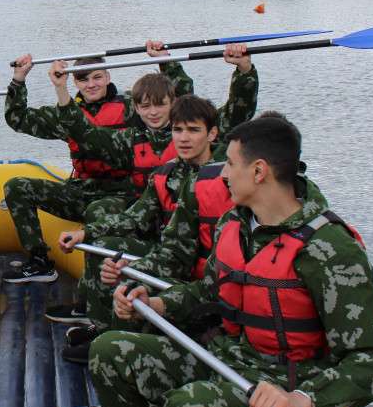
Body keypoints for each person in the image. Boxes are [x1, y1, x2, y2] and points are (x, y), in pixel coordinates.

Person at [72, 116, 373, 407]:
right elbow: (208, 292)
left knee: (191, 404)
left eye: (230, 163)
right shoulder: (236, 222)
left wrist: (302, 399)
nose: (223, 173)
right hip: (227, 359)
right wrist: (157, 302)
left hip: (279, 392)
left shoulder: (330, 251)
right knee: (109, 350)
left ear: (259, 171)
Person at [48, 45, 257, 325]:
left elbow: (236, 112)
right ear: (136, 108)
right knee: (107, 243)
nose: (183, 138)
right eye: (145, 107)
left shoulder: (219, 160)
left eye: (191, 130)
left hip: (202, 260)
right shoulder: (155, 163)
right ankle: (100, 323)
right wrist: (87, 234)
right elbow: (83, 132)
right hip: (165, 244)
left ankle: (124, 321)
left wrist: (243, 70)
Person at [1, 43, 194, 294]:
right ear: (76, 83)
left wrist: (166, 61)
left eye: (97, 77)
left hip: (122, 192)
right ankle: (40, 261)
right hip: (83, 188)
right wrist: (19, 78)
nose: (91, 85)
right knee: (16, 187)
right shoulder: (67, 112)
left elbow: (180, 101)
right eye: (83, 79)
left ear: (108, 77)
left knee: (97, 210)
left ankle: (91, 296)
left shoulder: (131, 108)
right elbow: (18, 118)